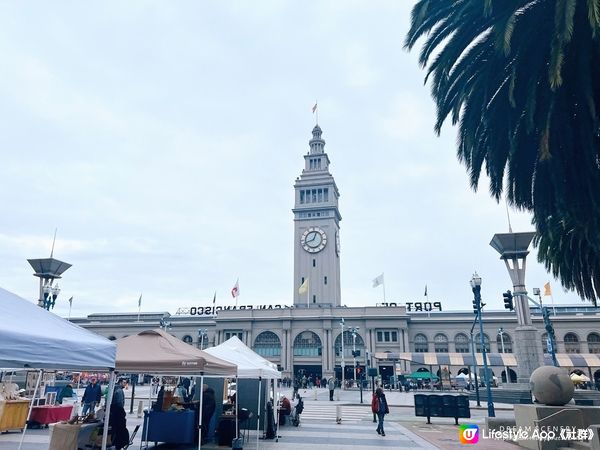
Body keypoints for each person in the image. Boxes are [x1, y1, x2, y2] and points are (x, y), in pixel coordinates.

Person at [110, 378, 129, 450]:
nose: (125, 384)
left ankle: (115, 444)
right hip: (118, 414)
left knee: (115, 431)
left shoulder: (114, 389)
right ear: (120, 382)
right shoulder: (119, 391)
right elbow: (119, 403)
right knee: (118, 432)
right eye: (124, 382)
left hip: (115, 414)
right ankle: (117, 445)